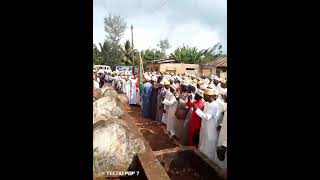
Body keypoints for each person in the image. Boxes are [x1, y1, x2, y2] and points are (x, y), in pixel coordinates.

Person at [193, 88, 219, 161]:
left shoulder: (214, 105)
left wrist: (197, 110)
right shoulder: (207, 103)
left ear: (209, 96)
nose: (203, 97)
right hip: (204, 129)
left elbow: (207, 116)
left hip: (210, 131)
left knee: (207, 150)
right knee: (202, 147)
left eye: (204, 96)